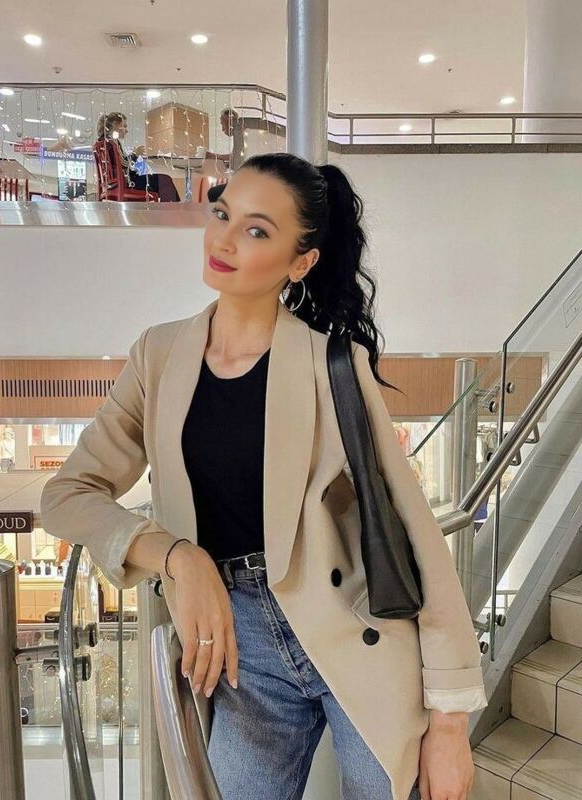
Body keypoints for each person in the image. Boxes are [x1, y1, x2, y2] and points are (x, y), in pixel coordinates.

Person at [40, 152, 487, 800]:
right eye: (222, 214)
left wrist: (449, 723)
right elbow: (67, 494)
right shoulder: (159, 356)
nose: (224, 239)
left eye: (256, 229)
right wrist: (177, 556)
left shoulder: (332, 363)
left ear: (299, 262)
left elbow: (415, 531)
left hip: (354, 628)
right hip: (236, 645)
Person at [96, 112, 180, 202]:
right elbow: (123, 164)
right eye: (124, 126)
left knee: (162, 180)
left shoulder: (104, 142)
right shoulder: (112, 143)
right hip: (127, 183)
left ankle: (168, 207)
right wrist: (135, 154)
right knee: (165, 180)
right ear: (115, 125)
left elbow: (118, 164)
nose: (126, 130)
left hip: (116, 183)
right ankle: (172, 208)